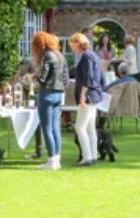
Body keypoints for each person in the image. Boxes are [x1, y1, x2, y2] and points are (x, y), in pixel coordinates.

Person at [31, 32, 69, 170]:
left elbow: (43, 78)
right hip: (59, 94)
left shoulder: (47, 56)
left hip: (47, 94)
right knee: (55, 128)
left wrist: (34, 79)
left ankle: (52, 160)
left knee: (47, 128)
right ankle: (56, 159)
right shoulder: (60, 56)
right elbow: (65, 78)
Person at [69, 32, 105, 167]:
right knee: (90, 127)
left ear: (78, 43)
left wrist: (83, 95)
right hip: (95, 94)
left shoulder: (85, 57)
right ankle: (93, 155)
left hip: (89, 96)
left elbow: (88, 77)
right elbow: (101, 77)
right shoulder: (93, 55)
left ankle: (87, 157)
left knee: (80, 127)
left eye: (73, 45)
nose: (72, 49)